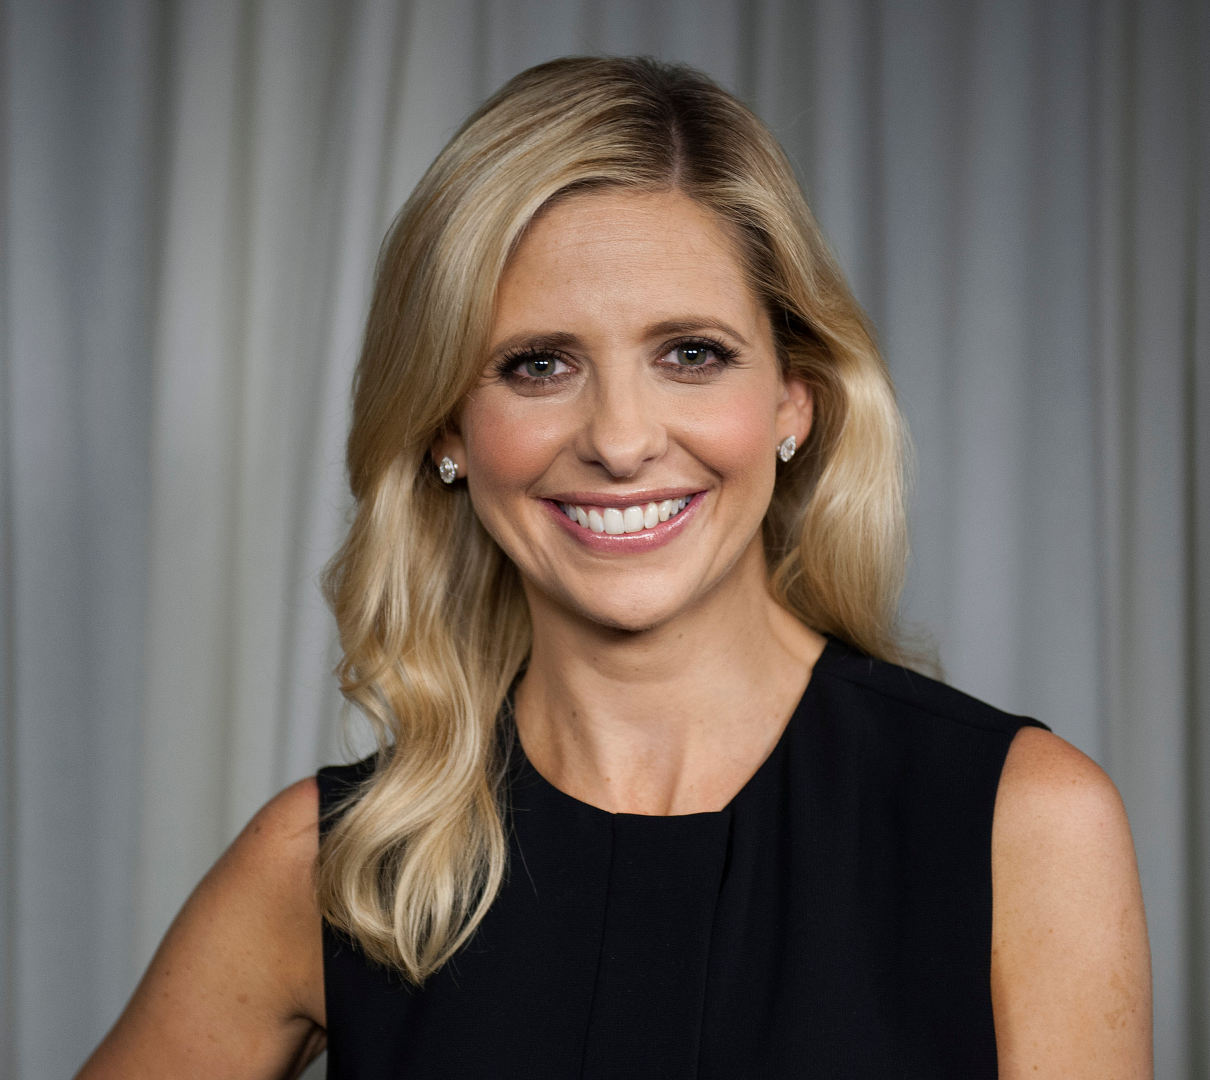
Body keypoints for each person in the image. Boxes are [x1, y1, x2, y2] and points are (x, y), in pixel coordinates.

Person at [77, 56, 1152, 1080]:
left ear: (795, 399)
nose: (622, 440)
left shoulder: (1024, 824)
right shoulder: (331, 866)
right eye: (538, 365)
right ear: (447, 428)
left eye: (692, 354)